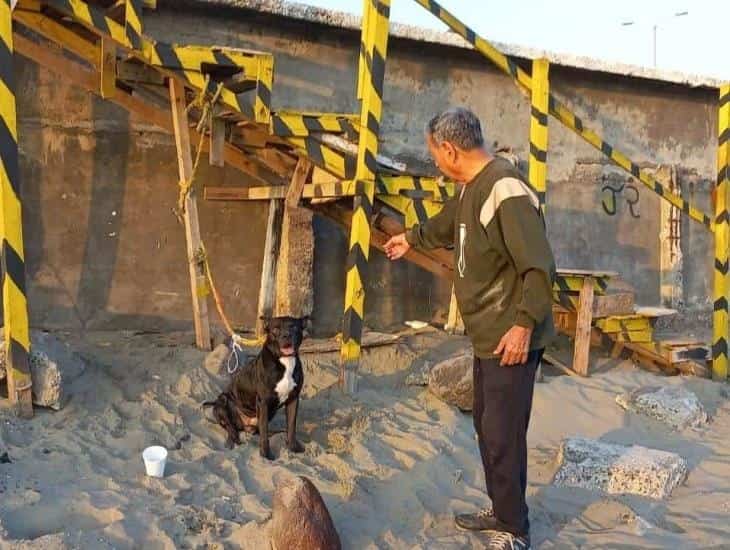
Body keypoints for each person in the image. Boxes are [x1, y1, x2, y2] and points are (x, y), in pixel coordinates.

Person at [384, 108, 556, 550]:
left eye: (435, 155)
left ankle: (515, 529)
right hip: (488, 334)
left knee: (503, 430)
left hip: (510, 337)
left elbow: (539, 268)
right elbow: (446, 224)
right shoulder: (471, 190)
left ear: (449, 149)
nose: (436, 164)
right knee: (487, 423)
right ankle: (502, 510)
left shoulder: (506, 189)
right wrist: (411, 238)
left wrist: (522, 326)